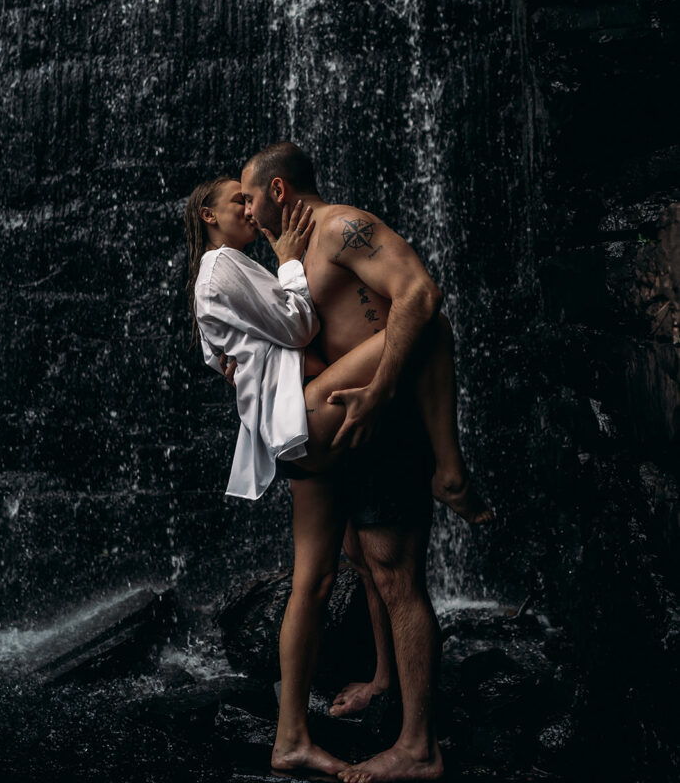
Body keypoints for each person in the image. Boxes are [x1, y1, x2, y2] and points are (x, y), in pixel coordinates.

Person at [186, 165, 492, 780]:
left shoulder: (264, 258)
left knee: (321, 575)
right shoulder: (229, 265)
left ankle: (295, 734)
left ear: (277, 190)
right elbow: (300, 323)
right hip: (307, 421)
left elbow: (239, 347)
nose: (247, 209)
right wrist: (293, 261)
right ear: (210, 217)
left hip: (302, 430)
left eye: (249, 196)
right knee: (429, 318)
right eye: (235, 201)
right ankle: (450, 469)